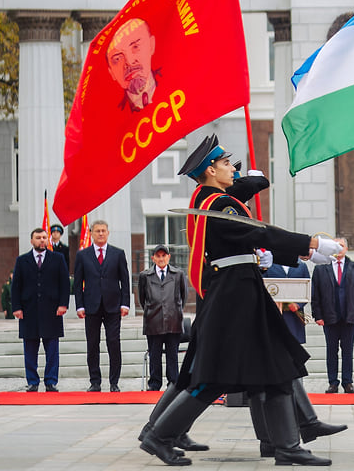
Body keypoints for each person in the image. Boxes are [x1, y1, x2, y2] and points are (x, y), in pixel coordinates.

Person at [138, 134, 343, 466]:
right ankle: (159, 436)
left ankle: (288, 445)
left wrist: (256, 183)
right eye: (225, 164)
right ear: (210, 169)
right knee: (216, 377)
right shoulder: (220, 205)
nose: (231, 169)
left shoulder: (208, 200)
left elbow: (240, 197)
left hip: (240, 289)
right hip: (236, 295)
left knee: (276, 365)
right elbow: (259, 232)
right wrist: (311, 243)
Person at [72, 220, 130, 392]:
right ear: (91, 233)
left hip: (113, 306)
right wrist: (79, 306)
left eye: (103, 230)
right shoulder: (83, 255)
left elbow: (125, 281)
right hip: (91, 306)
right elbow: (77, 283)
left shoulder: (118, 254)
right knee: (92, 345)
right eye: (97, 231)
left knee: (113, 343)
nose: (101, 233)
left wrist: (125, 303)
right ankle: (95, 382)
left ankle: (114, 382)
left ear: (108, 232)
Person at [11, 228, 70, 392]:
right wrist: (16, 308)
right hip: (28, 311)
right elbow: (16, 286)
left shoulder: (57, 259)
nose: (42, 240)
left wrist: (63, 304)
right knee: (30, 349)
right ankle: (32, 381)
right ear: (32, 241)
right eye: (38, 238)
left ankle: (51, 381)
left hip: (52, 311)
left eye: (44, 237)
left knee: (52, 349)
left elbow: (64, 283)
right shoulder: (22, 261)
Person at [311, 238, 354, 394]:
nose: (339, 249)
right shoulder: (321, 268)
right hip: (329, 317)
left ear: (347, 248)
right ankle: (333, 382)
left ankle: (347, 382)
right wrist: (317, 315)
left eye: (341, 246)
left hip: (349, 317)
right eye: (336, 246)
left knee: (347, 351)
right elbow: (315, 293)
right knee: (331, 351)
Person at [137, 244, 187, 392]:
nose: (161, 259)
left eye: (163, 256)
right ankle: (154, 384)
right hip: (153, 321)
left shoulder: (178, 274)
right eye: (158, 256)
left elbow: (183, 297)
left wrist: (175, 310)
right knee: (155, 355)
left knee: (172, 354)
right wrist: (151, 310)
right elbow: (142, 298)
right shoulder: (145, 275)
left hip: (173, 321)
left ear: (168, 257)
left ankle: (173, 383)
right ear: (153, 258)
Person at [106, 18, 159, 112]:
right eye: (117, 59)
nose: (129, 62)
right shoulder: (112, 116)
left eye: (135, 47)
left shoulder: (176, 82)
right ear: (111, 73)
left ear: (151, 45)